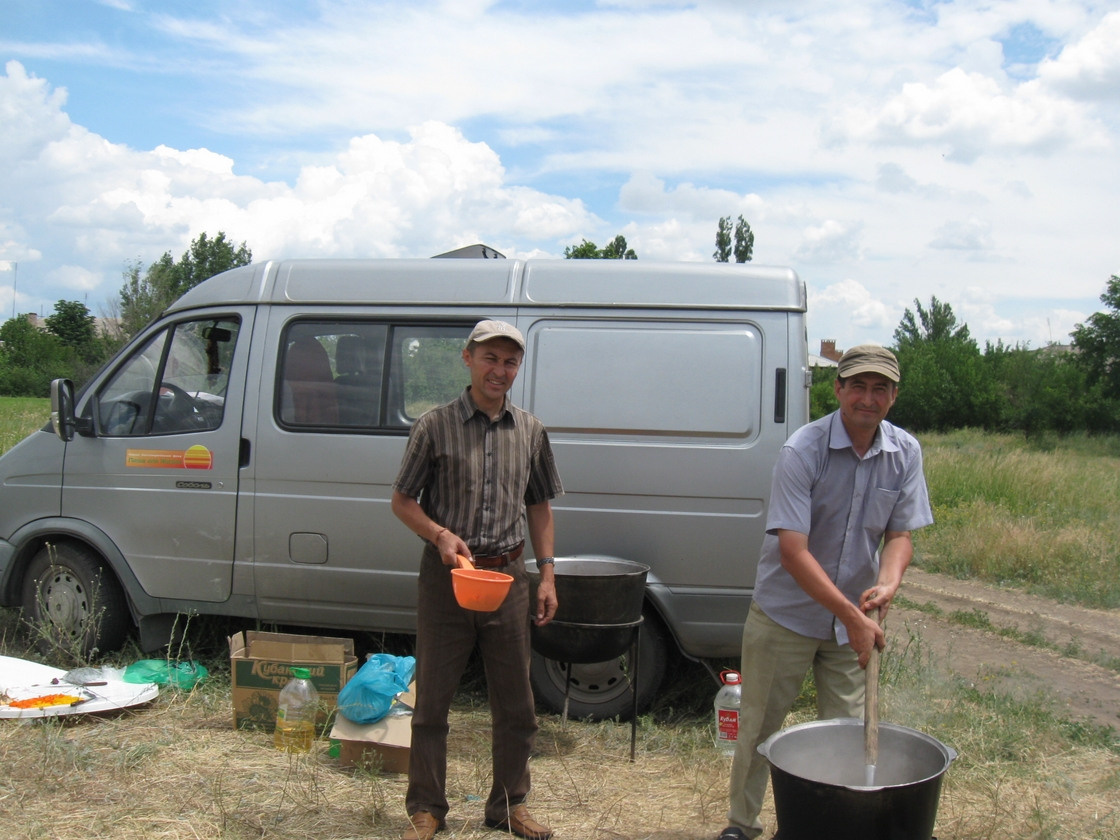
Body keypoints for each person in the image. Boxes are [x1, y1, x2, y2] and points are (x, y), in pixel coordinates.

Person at [718, 344, 934, 840]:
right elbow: (793, 551)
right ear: (837, 389)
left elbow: (900, 535)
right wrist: (853, 617)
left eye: (880, 388)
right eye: (857, 385)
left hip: (850, 624)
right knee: (760, 727)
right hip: (784, 614)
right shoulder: (803, 449)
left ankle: (827, 827)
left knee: (850, 736)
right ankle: (742, 825)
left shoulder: (905, 452)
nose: (867, 398)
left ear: (893, 397)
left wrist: (888, 583)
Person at [391, 319, 563, 840]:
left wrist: (547, 573)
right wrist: (440, 535)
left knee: (517, 702)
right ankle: (426, 808)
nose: (500, 370)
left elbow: (540, 506)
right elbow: (402, 501)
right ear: (468, 358)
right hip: (448, 578)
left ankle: (510, 806)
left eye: (510, 361)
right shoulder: (435, 426)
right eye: (491, 358)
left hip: (507, 576)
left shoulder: (530, 430)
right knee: (434, 699)